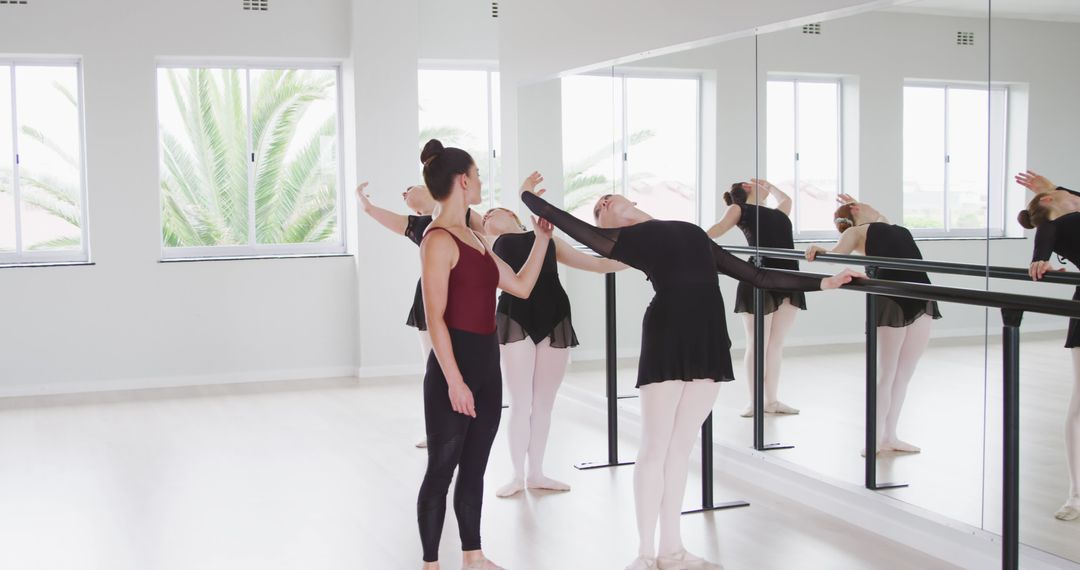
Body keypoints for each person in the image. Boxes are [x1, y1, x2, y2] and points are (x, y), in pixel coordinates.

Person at [521, 190, 861, 570]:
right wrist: (529, 197)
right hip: (667, 333)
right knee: (655, 447)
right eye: (601, 206)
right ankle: (645, 553)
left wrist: (825, 284)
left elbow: (758, 275)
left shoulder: (693, 231)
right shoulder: (625, 241)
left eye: (610, 195)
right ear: (607, 226)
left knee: (681, 448)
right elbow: (574, 226)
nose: (607, 200)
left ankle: (673, 548)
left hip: (709, 336)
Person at [416, 139, 553, 570]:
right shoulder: (437, 239)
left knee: (474, 467)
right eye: (476, 175)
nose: (479, 182)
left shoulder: (476, 236)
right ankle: (430, 564)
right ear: (462, 181)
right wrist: (454, 380)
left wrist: (543, 240)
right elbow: (434, 317)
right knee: (442, 470)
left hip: (486, 369)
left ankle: (473, 555)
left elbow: (521, 286)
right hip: (452, 372)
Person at [482, 172, 627, 498]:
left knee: (544, 404)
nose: (490, 214)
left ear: (515, 216)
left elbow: (598, 265)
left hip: (555, 315)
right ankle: (517, 475)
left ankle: (536, 473)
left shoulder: (548, 238)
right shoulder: (487, 244)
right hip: (515, 316)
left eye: (497, 210)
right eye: (486, 214)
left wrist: (644, 259)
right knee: (520, 402)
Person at [806, 194, 941, 455]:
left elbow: (881, 218)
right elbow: (836, 254)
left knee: (904, 374)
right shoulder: (857, 231)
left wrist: (859, 206)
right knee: (887, 373)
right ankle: (874, 438)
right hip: (891, 298)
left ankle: (890, 436)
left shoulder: (889, 226)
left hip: (921, 295)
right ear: (856, 209)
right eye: (863, 204)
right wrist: (819, 249)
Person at [356, 182, 483, 448]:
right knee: (435, 368)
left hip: (466, 302)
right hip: (431, 301)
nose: (404, 193)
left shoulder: (465, 215)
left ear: (431, 187)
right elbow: (374, 213)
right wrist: (364, 202)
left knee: (469, 366)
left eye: (409, 188)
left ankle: (468, 425)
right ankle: (438, 430)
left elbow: (492, 238)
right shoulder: (418, 226)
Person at [707, 179, 806, 417]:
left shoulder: (776, 212)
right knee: (757, 342)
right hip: (759, 277)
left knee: (775, 344)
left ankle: (771, 400)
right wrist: (690, 240)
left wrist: (769, 186)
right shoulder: (740, 208)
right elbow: (719, 228)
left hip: (788, 277)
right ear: (747, 188)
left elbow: (787, 200)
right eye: (754, 182)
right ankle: (754, 401)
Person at [1015, 169, 1080, 521]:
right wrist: (1039, 260)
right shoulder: (1054, 223)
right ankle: (1075, 494)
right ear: (1047, 202)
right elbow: (1043, 243)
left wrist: (1053, 187)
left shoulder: (1066, 203)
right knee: (1079, 404)